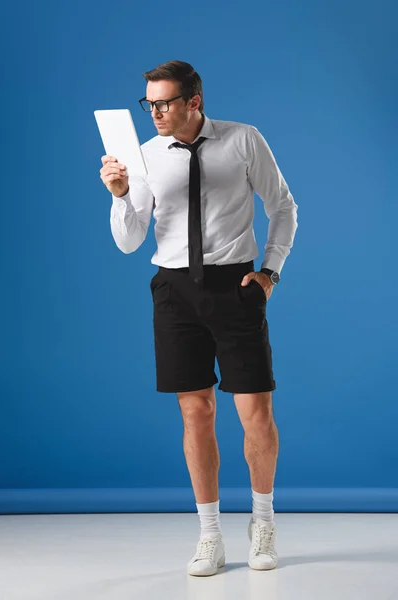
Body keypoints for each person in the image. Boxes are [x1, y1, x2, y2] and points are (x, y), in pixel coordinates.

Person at [100, 60, 298, 577]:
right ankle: (210, 533)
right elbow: (129, 241)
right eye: (150, 103)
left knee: (255, 412)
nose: (156, 113)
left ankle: (263, 522)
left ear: (194, 101)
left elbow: (283, 206)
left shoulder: (243, 140)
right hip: (174, 290)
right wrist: (121, 197)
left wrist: (269, 273)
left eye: (164, 103)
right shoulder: (144, 155)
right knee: (196, 413)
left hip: (235, 286)